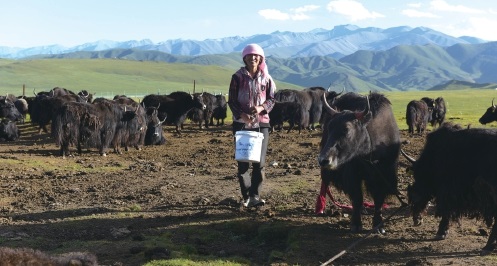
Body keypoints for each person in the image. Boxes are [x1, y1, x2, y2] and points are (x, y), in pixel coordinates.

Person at [228, 43, 276, 208]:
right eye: (249, 55)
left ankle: (255, 195)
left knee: (259, 162)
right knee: (243, 162)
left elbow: (271, 99)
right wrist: (242, 115)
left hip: (261, 124)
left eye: (256, 56)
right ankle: (246, 196)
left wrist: (261, 108)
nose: (253, 58)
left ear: (261, 58)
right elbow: (232, 101)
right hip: (241, 125)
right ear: (245, 58)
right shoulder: (237, 77)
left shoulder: (266, 78)